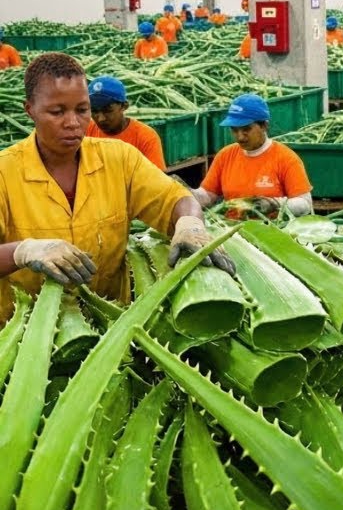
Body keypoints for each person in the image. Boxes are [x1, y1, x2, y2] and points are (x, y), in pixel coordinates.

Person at [0, 53, 233, 322]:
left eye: (82, 110)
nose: (73, 122)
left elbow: (173, 197)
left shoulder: (120, 159)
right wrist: (24, 251)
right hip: (26, 334)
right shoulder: (6, 172)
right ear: (29, 110)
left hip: (110, 325)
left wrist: (190, 223)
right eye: (57, 112)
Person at [193, 94, 313, 219]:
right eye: (234, 130)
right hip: (231, 231)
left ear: (264, 126)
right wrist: (188, 193)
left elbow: (305, 203)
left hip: (272, 231)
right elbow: (207, 195)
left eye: (246, 129)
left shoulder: (286, 158)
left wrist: (274, 203)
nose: (240, 136)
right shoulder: (225, 155)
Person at [85, 76, 165, 170]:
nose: (101, 118)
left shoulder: (145, 137)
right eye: (94, 111)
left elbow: (156, 180)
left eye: (107, 110)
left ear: (124, 106)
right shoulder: (86, 131)